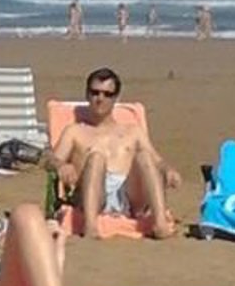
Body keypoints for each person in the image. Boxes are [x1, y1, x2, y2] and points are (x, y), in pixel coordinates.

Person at [51, 66, 180, 238]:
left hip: (130, 195)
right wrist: (61, 166)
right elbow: (51, 159)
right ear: (87, 95)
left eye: (107, 94)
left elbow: (157, 161)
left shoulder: (132, 131)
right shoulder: (74, 131)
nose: (100, 98)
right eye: (95, 93)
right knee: (96, 157)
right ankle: (91, 227)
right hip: (92, 193)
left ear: (116, 98)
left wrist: (168, 169)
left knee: (144, 156)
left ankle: (160, 224)